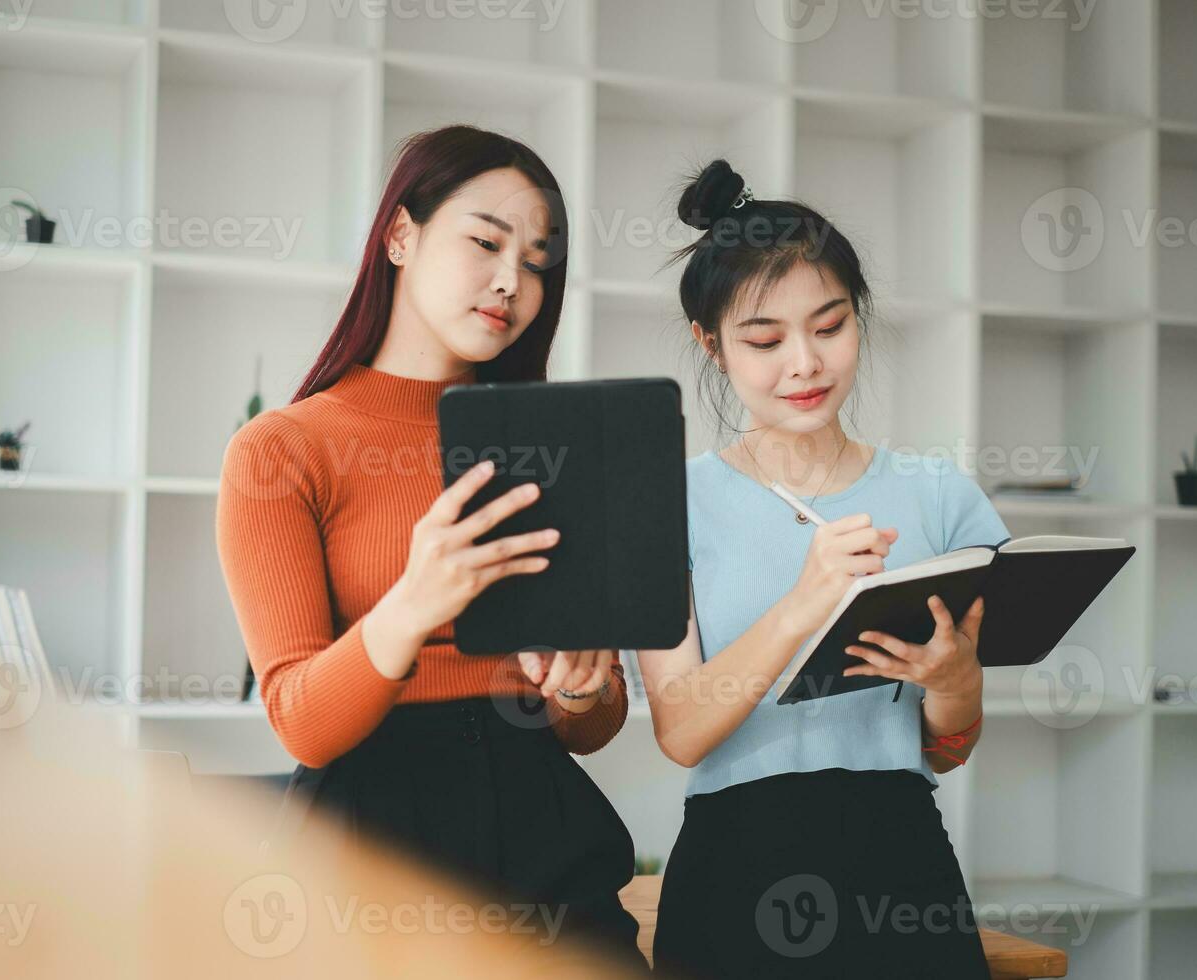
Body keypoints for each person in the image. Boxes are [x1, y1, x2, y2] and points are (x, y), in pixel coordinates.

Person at [215, 125, 646, 972]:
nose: (510, 280)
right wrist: (416, 600)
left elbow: (592, 727)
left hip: (547, 837)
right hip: (371, 845)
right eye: (485, 241)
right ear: (401, 236)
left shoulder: (554, 442)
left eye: (537, 260)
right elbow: (301, 723)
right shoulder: (282, 450)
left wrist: (583, 684)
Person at [640, 159, 1006, 979]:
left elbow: (949, 747)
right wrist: (806, 602)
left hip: (901, 861)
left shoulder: (938, 493)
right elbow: (682, 729)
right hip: (734, 871)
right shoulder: (669, 502)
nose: (803, 363)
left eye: (831, 325)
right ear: (713, 345)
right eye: (765, 341)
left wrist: (953, 681)